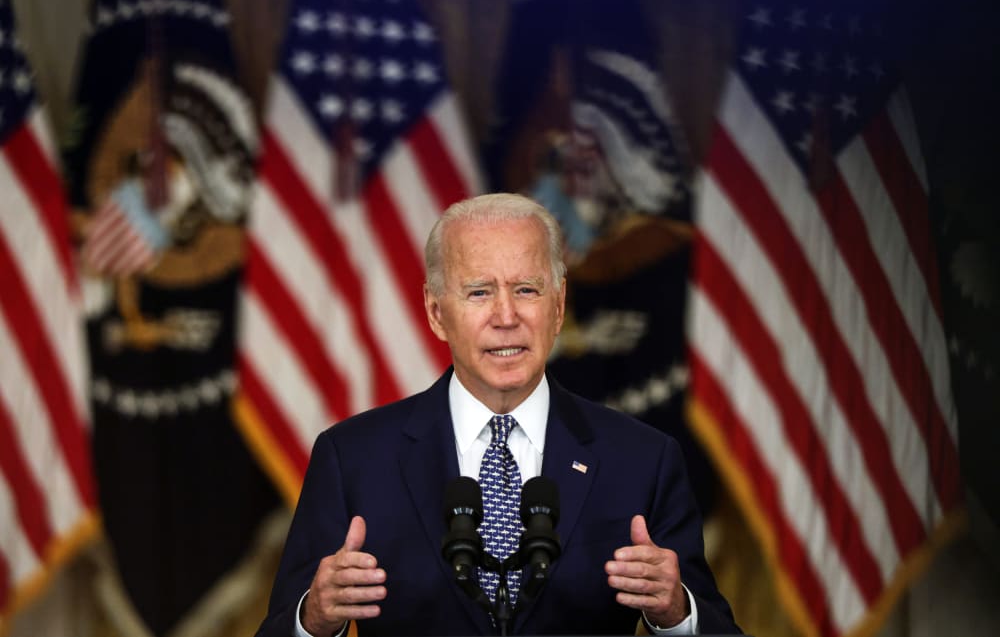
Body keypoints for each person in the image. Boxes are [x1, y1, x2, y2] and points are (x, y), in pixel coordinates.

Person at [255, 193, 739, 636]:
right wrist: (313, 619)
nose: (506, 316)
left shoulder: (642, 460)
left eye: (527, 290)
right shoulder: (353, 458)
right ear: (435, 312)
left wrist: (677, 612)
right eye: (479, 292)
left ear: (558, 305)